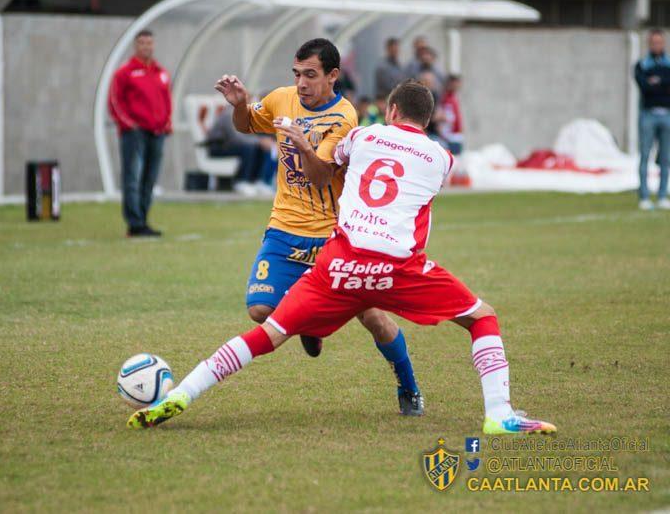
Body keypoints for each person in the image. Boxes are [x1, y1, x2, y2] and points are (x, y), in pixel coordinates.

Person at [128, 81, 557, 436]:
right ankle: (499, 413)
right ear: (426, 121)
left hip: (339, 262)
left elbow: (331, 166)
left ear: (389, 111)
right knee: (482, 316)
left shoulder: (362, 135)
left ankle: (181, 395)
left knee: (267, 333)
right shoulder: (443, 158)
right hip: (396, 268)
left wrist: (302, 142)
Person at [212, 38, 423, 415]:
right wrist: (241, 104)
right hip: (283, 226)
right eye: (297, 74)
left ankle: (409, 387)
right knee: (260, 309)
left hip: (332, 234)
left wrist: (302, 145)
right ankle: (309, 324)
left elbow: (321, 177)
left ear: (332, 75)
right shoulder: (281, 98)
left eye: (310, 75)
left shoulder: (344, 117)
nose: (301, 83)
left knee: (372, 316)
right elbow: (246, 126)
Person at [108, 30, 172, 236]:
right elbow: (115, 101)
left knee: (149, 179)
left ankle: (143, 220)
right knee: (133, 177)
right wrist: (129, 124)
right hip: (135, 133)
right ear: (136, 46)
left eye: (149, 42)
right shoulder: (125, 72)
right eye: (142, 43)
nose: (146, 46)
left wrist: (166, 123)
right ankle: (134, 223)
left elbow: (167, 101)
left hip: (157, 132)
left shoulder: (161, 72)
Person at [634, 29, 670, 210]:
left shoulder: (668, 64)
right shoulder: (642, 65)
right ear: (649, 44)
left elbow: (665, 87)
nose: (657, 45)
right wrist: (661, 84)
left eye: (660, 42)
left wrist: (658, 82)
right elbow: (645, 87)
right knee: (645, 155)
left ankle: (663, 195)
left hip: (667, 115)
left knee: (665, 157)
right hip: (648, 115)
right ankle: (644, 196)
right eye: (653, 42)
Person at [206, 105, 275, 196]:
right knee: (249, 147)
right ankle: (241, 181)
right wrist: (260, 141)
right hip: (218, 147)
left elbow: (250, 134)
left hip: (231, 146)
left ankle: (257, 181)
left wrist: (263, 141)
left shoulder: (246, 114)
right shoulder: (229, 114)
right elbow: (236, 138)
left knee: (259, 147)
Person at [438, 75, 464, 155]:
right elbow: (445, 117)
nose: (456, 86)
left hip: (456, 135)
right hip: (449, 136)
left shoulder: (454, 97)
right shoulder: (444, 98)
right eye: (454, 84)